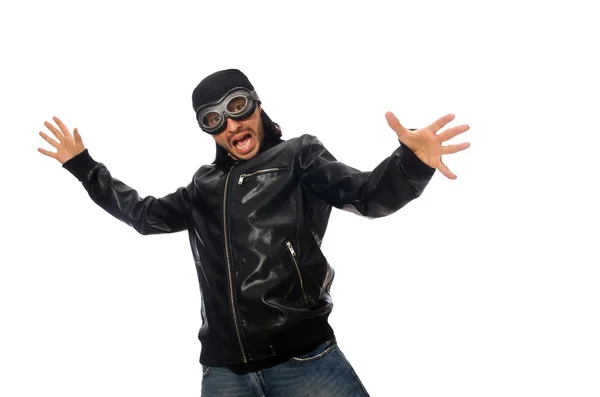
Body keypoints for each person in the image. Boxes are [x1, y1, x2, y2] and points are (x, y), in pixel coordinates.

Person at [37, 69, 470, 396]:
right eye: (214, 119)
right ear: (207, 128)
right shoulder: (202, 187)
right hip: (224, 373)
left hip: (305, 360)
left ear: (257, 105)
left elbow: (367, 195)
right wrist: (84, 167)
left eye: (237, 107)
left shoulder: (298, 155)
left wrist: (412, 162)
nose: (231, 125)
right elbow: (143, 214)